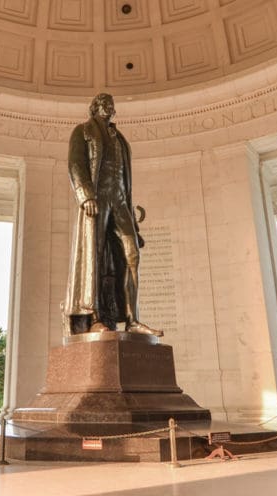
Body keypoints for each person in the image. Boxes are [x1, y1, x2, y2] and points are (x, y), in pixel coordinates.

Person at [63, 93, 163, 337]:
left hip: (119, 201)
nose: (109, 107)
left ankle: (132, 319)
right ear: (94, 107)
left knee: (132, 255)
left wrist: (135, 228)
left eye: (111, 104)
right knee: (94, 256)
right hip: (97, 199)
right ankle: (95, 316)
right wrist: (85, 195)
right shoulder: (83, 131)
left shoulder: (121, 141)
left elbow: (126, 182)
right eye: (103, 104)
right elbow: (75, 164)